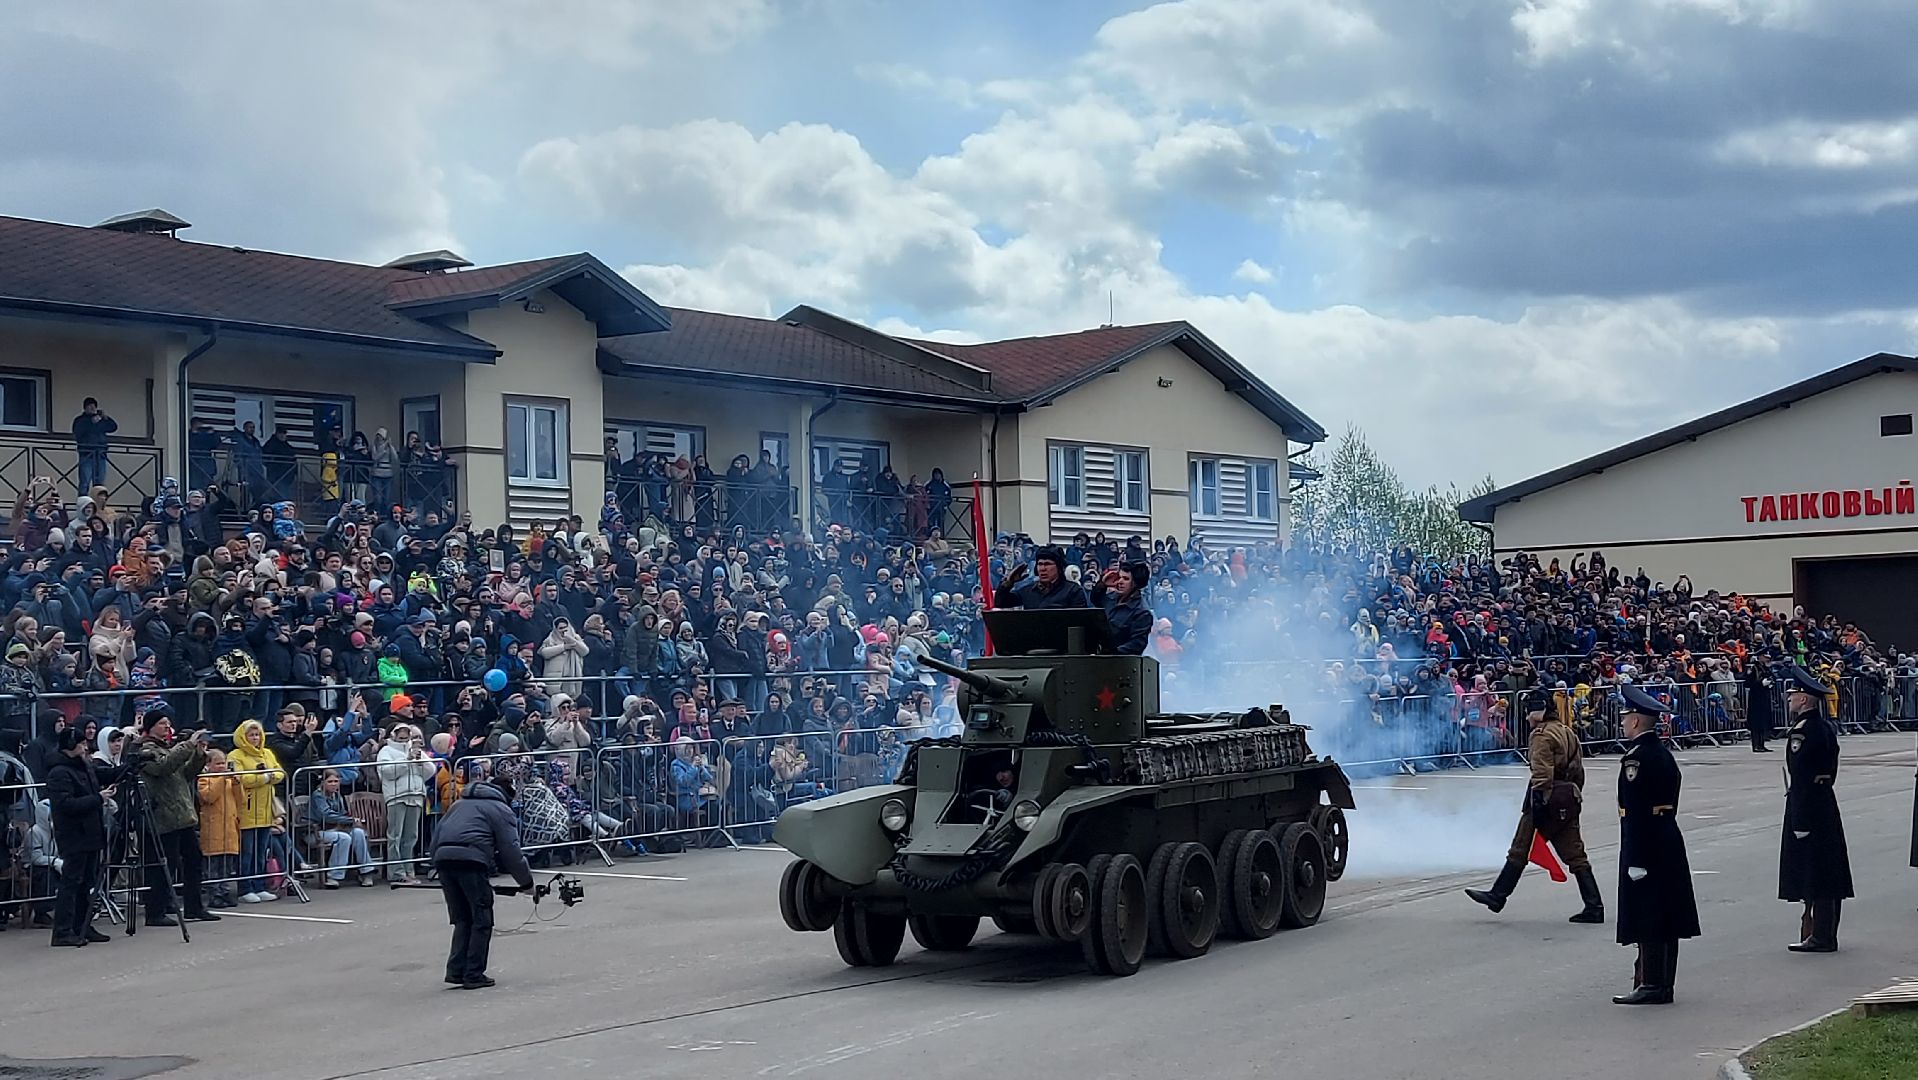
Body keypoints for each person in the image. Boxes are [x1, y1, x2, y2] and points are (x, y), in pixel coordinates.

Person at [1464, 691, 1603, 924]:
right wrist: (1572, 795)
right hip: (1567, 797)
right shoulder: (1567, 731)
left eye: (1530, 711)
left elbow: (1542, 773)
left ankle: (1498, 896)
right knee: (1575, 854)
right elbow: (1578, 770)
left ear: (1538, 711)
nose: (1528, 717)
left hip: (1545, 799)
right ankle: (1594, 905)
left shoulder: (1541, 735)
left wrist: (1539, 802)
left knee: (1520, 849)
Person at [1612, 683, 1700, 1006]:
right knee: (1667, 913)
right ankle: (1664, 983)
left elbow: (1634, 813)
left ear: (1636, 721)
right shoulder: (1663, 755)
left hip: (1646, 843)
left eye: (1626, 717)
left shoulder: (1636, 760)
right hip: (1666, 838)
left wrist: (1635, 857)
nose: (1623, 723)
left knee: (1649, 913)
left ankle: (1651, 983)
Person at [430, 773, 535, 990]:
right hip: (471, 860)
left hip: (444, 859)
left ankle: (456, 970)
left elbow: (437, 835)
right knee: (481, 918)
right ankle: (474, 973)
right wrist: (526, 883)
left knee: (462, 919)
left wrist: (436, 863)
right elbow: (511, 851)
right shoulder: (500, 809)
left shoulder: (459, 805)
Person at [1778, 663, 1853, 953]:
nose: (1789, 699)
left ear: (1805, 699)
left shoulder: (1803, 733)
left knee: (1816, 871)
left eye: (1793, 695)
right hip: (1825, 802)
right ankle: (1826, 931)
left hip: (1809, 806)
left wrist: (1799, 820)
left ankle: (1821, 935)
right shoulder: (1824, 728)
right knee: (1829, 867)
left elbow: (1801, 778)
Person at [132, 706, 222, 927]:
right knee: (165, 864)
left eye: (168, 723)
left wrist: (199, 754)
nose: (167, 727)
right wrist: (188, 745)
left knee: (193, 859)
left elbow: (185, 773)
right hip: (163, 815)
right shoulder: (145, 750)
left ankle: (194, 906)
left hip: (181, 814)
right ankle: (156, 910)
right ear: (151, 727)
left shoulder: (168, 748)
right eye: (162, 723)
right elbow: (163, 767)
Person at [45, 727, 112, 947]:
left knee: (87, 882)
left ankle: (82, 925)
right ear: (72, 746)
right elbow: (65, 805)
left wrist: (128, 767)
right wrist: (98, 799)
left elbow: (103, 775)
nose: (86, 748)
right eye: (82, 744)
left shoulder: (84, 766)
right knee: (71, 883)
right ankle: (63, 931)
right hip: (74, 835)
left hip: (90, 833)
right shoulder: (59, 773)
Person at [1087, 561, 1153, 656]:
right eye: (1119, 577)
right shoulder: (1110, 598)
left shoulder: (1141, 612)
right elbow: (1095, 599)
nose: (1120, 582)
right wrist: (1102, 584)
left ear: (1135, 583)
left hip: (1120, 663)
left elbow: (1137, 644)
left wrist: (1112, 652)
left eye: (1126, 579)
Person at [993, 546, 1088, 611]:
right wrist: (1008, 583)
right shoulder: (1028, 591)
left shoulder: (1073, 591)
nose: (1042, 569)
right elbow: (1000, 602)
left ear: (1059, 568)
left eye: (1047, 564)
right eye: (1040, 564)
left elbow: (1079, 621)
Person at [72, 397, 117, 494]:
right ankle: (83, 504)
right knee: (85, 482)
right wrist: (91, 423)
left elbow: (113, 427)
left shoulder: (100, 419)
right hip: (86, 454)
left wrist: (106, 417)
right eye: (90, 406)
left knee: (99, 483)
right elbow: (78, 432)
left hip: (100, 454)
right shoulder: (80, 420)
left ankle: (98, 504)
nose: (92, 408)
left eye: (94, 406)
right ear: (85, 408)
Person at [1745, 656, 1777, 753]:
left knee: (1763, 721)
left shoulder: (1765, 668)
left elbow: (1772, 677)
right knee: (1756, 722)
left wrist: (1771, 683)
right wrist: (1760, 684)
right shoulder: (1753, 668)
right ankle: (1756, 745)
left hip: (1764, 697)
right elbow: (1748, 683)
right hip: (1756, 699)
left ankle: (1762, 744)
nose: (1767, 659)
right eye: (1765, 657)